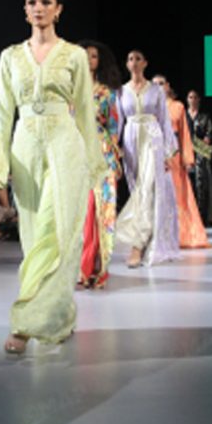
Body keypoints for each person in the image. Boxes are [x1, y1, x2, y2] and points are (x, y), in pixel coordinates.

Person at [0, 0, 102, 353]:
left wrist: (95, 163)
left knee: (59, 230)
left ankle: (25, 324)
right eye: (32, 2)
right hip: (25, 147)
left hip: (65, 144)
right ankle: (58, 315)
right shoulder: (10, 56)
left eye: (46, 1)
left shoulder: (74, 55)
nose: (39, 7)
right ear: (25, 9)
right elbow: (2, 111)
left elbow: (86, 111)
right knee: (33, 237)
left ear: (58, 9)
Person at [116, 51, 180, 267]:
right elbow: (118, 122)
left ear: (145, 63)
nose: (133, 62)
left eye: (138, 59)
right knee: (138, 191)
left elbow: (164, 120)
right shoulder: (121, 91)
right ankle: (147, 239)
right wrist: (114, 149)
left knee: (147, 189)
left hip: (153, 139)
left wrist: (168, 152)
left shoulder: (156, 90)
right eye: (130, 59)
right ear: (127, 64)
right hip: (131, 141)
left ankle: (137, 246)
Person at [77, 39, 122, 289]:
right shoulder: (69, 91)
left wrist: (115, 158)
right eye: (84, 55)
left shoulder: (106, 93)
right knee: (80, 211)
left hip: (102, 151)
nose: (88, 59)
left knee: (101, 209)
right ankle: (81, 269)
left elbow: (113, 127)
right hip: (75, 152)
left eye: (93, 56)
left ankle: (99, 268)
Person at [154, 75, 211, 249]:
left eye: (161, 83)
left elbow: (185, 134)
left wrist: (187, 159)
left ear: (167, 85)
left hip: (174, 156)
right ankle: (159, 236)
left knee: (178, 195)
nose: (158, 87)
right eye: (154, 84)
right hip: (155, 153)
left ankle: (180, 235)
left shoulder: (178, 106)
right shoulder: (150, 107)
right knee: (157, 195)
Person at [185, 89, 212, 226]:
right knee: (186, 183)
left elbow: (210, 132)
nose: (192, 100)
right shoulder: (184, 116)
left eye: (195, 97)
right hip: (186, 152)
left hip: (200, 151)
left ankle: (202, 216)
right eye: (190, 97)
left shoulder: (204, 117)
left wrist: (207, 139)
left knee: (201, 183)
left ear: (198, 100)